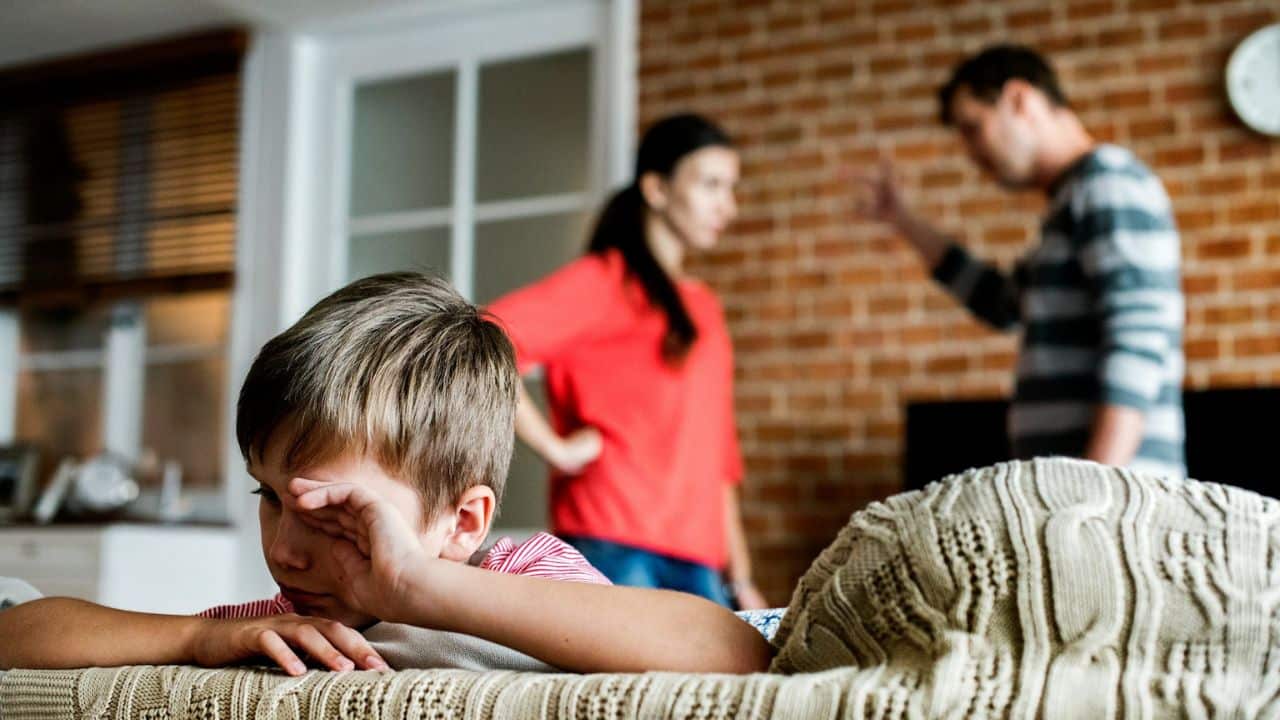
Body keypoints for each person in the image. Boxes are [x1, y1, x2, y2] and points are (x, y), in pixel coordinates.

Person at [0, 273, 773, 676]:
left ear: (463, 523)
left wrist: (417, 588)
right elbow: (16, 636)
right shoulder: (279, 624)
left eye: (335, 517)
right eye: (268, 497)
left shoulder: (522, 571)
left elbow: (733, 652)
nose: (287, 550)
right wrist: (198, 636)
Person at [855, 45, 1186, 479]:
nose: (972, 152)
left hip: (1111, 505)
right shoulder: (1069, 203)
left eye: (974, 128)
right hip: (1086, 500)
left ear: (1019, 100)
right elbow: (1003, 304)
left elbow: (1139, 336)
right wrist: (904, 220)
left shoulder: (1107, 182)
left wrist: (1094, 489)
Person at [486, 114, 766, 609]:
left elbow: (718, 452)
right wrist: (556, 449)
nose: (729, 205)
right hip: (611, 546)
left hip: (702, 563)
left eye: (732, 188)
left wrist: (740, 577)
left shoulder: (705, 308)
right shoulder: (603, 281)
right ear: (656, 188)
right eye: (711, 185)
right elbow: (484, 338)